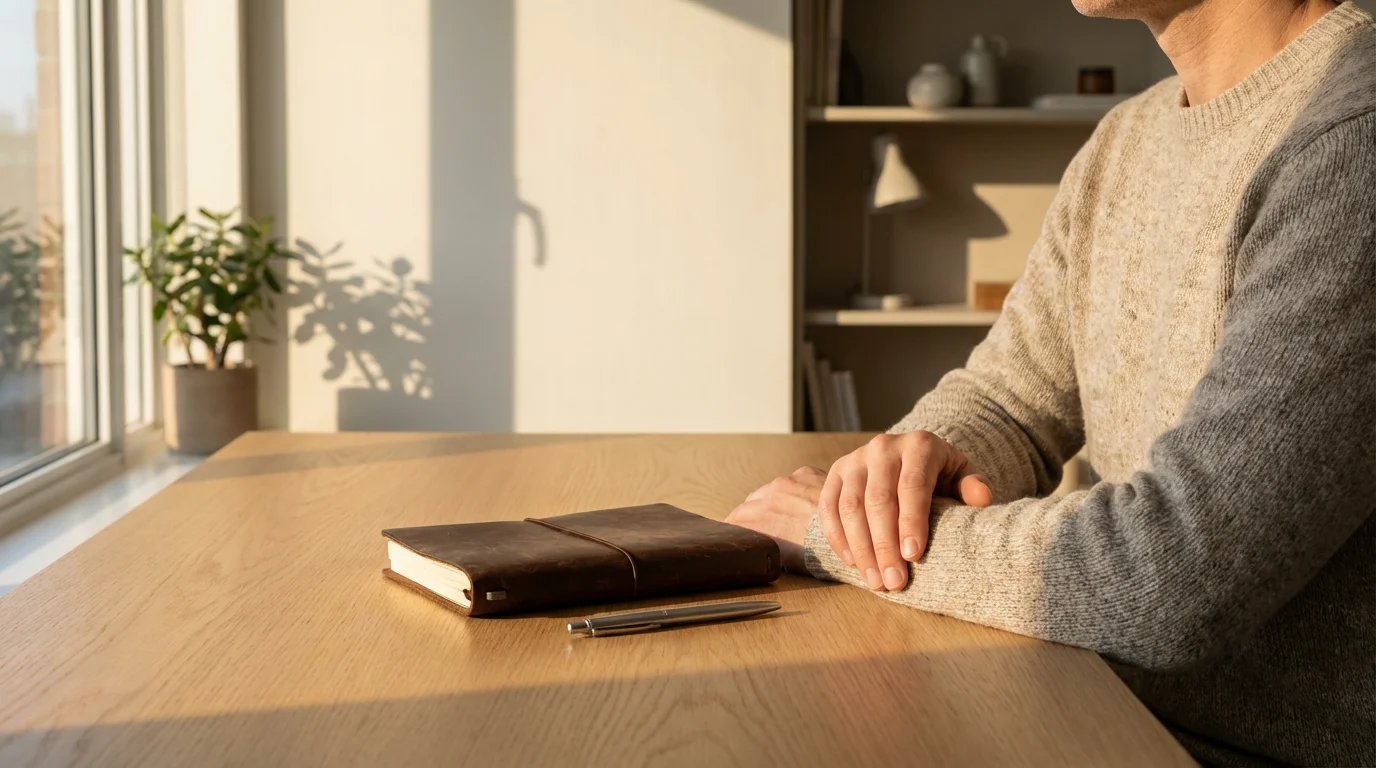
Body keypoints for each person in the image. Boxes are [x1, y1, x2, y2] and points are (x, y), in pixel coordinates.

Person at [725, 0, 1376, 764]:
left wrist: (841, 538)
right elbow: (1009, 399)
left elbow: (1173, 575)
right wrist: (908, 472)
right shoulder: (1125, 141)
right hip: (1091, 702)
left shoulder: (1350, 141)